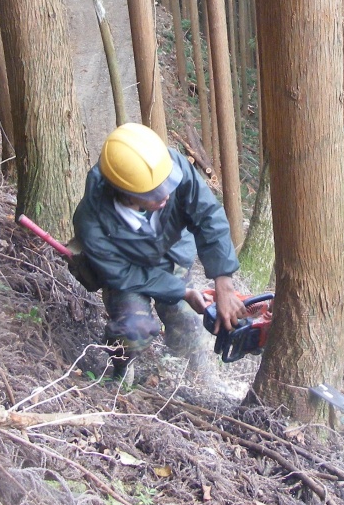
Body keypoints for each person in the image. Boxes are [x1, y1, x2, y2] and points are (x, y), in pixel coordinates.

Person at [72, 123, 246, 380]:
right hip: (130, 276)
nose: (165, 195)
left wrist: (223, 280)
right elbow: (124, 276)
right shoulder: (92, 222)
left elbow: (208, 215)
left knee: (189, 332)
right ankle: (121, 369)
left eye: (167, 185)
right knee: (133, 330)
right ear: (125, 194)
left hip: (172, 258)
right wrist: (183, 292)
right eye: (153, 194)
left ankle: (197, 379)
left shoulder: (168, 164)